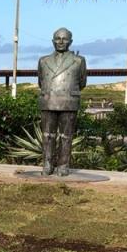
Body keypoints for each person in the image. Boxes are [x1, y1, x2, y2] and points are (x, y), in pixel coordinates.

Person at [37, 27, 87, 176]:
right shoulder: (43, 61)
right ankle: (47, 164)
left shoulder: (79, 60)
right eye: (57, 38)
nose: (60, 41)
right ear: (52, 41)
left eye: (64, 39)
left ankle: (63, 165)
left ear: (70, 41)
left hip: (68, 101)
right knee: (47, 135)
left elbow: (82, 82)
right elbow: (41, 81)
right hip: (49, 100)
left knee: (66, 136)